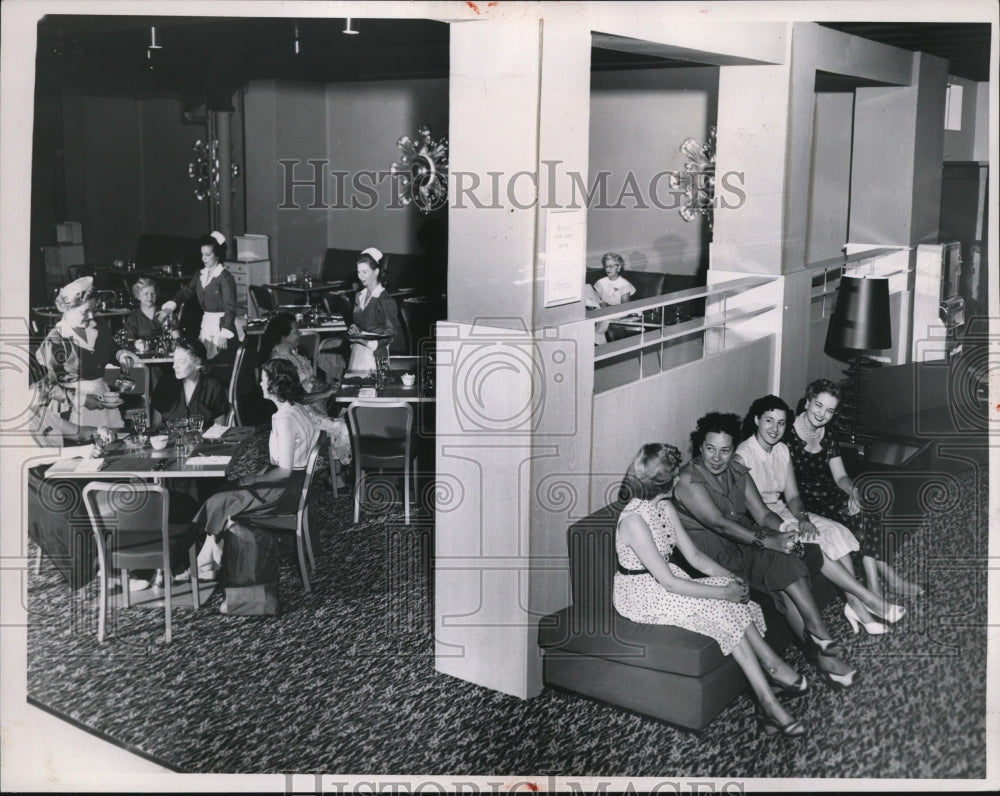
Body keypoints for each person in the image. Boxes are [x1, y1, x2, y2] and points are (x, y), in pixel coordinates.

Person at [616, 443, 808, 737]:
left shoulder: (664, 506)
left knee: (727, 598)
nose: (680, 480)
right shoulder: (633, 520)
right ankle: (769, 687)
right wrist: (723, 593)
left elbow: (693, 557)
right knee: (721, 603)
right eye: (675, 476)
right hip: (642, 593)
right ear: (664, 482)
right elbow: (667, 583)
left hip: (668, 578)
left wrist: (732, 580)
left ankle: (769, 686)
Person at [672, 412, 857, 688]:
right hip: (709, 561)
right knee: (777, 556)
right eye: (710, 449)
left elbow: (761, 514)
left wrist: (783, 531)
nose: (716, 457)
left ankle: (820, 637)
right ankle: (823, 649)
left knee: (788, 557)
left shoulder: (737, 471)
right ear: (700, 447)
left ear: (733, 449)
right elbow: (720, 525)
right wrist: (768, 541)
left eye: (725, 450)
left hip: (743, 543)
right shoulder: (689, 479)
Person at [735, 395, 906, 636]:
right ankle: (869, 601)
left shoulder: (782, 449)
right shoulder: (743, 457)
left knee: (837, 531)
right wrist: (791, 526)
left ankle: (856, 607)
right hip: (762, 522)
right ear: (756, 420)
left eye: (781, 423)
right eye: (769, 421)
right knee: (817, 543)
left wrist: (803, 518)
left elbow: (793, 497)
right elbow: (759, 514)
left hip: (783, 510)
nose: (775, 429)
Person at [787, 379, 923, 605]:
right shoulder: (788, 436)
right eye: (818, 406)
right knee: (862, 519)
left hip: (829, 495)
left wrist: (853, 492)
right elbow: (789, 490)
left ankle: (880, 583)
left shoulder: (827, 433)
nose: (822, 414)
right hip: (804, 502)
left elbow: (840, 476)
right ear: (807, 402)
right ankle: (882, 583)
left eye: (829, 410)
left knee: (866, 506)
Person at [186, 359, 320, 586]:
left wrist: (255, 478)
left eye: (263, 379)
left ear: (275, 386)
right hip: (294, 485)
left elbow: (284, 471)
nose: (259, 383)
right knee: (227, 488)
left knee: (220, 498)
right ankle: (208, 556)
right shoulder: (298, 409)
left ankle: (205, 559)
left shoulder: (285, 419)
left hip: (284, 492)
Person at [35, 276, 136, 430]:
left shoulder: (98, 326)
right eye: (85, 311)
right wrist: (82, 399)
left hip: (101, 396)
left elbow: (111, 347)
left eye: (93, 310)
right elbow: (48, 386)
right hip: (72, 408)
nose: (91, 316)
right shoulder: (56, 339)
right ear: (68, 308)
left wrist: (121, 355)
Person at [159, 231, 237, 361]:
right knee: (202, 358)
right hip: (206, 324)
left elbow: (231, 307)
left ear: (217, 255)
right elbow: (186, 292)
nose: (203, 258)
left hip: (221, 328)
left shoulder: (225, 278)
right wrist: (170, 307)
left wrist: (224, 332)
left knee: (215, 362)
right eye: (202, 254)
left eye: (208, 254)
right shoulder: (200, 274)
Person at [150, 337, 229, 431]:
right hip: (171, 442)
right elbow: (155, 428)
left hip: (203, 443)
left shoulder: (213, 388)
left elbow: (219, 430)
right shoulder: (165, 385)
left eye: (181, 362)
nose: (175, 366)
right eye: (174, 360)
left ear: (198, 363)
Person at [346, 247, 400, 373]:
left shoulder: (385, 300)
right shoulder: (360, 296)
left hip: (375, 356)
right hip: (357, 352)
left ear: (376, 272)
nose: (360, 276)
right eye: (358, 272)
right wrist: (356, 328)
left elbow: (392, 334)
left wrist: (364, 341)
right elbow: (364, 322)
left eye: (364, 272)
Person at [593, 252, 636, 345]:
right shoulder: (600, 282)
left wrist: (608, 306)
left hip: (618, 313)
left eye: (611, 266)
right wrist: (599, 304)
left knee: (604, 321)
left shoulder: (624, 284)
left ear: (619, 267)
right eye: (606, 266)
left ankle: (598, 343)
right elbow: (596, 300)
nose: (608, 269)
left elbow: (626, 306)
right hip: (601, 311)